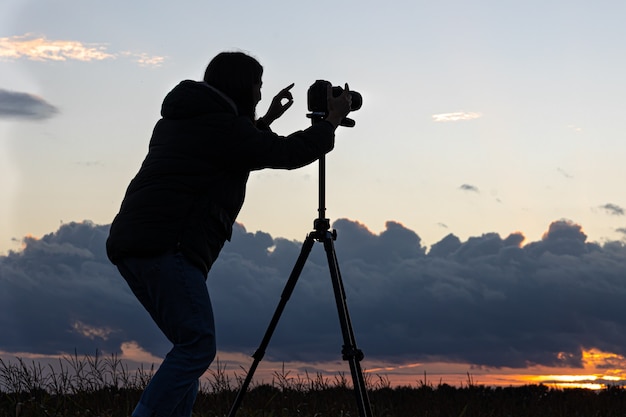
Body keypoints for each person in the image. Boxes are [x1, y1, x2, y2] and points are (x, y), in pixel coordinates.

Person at [105, 51, 352, 417]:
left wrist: (265, 119)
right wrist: (329, 123)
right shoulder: (222, 127)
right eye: (257, 86)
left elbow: (237, 149)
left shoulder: (188, 118)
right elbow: (283, 153)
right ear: (241, 85)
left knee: (188, 348)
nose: (258, 94)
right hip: (168, 245)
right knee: (197, 346)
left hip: (137, 243)